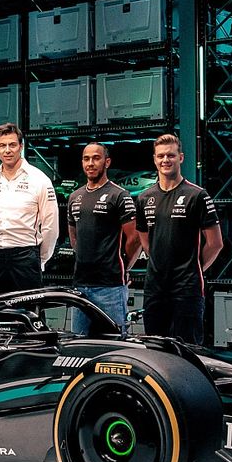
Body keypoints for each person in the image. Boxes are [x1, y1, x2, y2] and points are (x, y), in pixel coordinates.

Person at [134, 133, 223, 345]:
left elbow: (216, 243)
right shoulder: (144, 198)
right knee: (154, 348)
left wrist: (193, 268)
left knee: (188, 348)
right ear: (154, 159)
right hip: (155, 287)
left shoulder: (197, 195)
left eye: (171, 155)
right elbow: (145, 241)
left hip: (187, 288)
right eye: (161, 156)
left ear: (180, 158)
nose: (165, 160)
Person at [67, 142, 140, 335]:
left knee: (114, 346)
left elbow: (135, 239)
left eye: (96, 158)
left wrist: (124, 267)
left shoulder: (119, 195)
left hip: (111, 287)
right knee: (78, 345)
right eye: (86, 159)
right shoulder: (74, 197)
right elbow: (74, 236)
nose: (90, 163)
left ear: (107, 162)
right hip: (80, 286)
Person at [0, 122, 59, 295]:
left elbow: (51, 226)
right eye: (3, 146)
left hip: (26, 258)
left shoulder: (39, 180)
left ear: (21, 147)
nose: (7, 150)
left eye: (12, 145)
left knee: (29, 310)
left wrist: (39, 259)